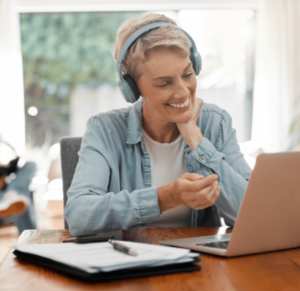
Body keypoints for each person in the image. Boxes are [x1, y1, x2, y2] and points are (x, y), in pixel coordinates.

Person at [65, 13, 252, 236]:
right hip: (132, 261)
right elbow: (79, 215)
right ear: (133, 89)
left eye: (188, 74)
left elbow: (253, 214)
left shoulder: (215, 122)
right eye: (164, 83)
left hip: (202, 263)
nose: (183, 91)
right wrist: (165, 198)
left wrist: (195, 137)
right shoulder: (104, 130)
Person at [0, 141, 36, 233]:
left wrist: (9, 167)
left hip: (7, 187)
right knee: (21, 197)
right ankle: (31, 238)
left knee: (31, 164)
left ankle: (12, 194)